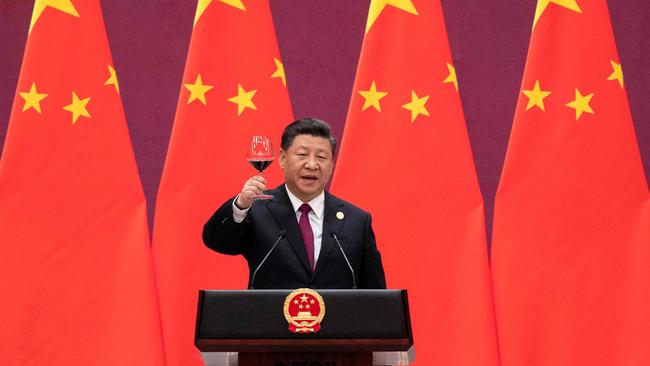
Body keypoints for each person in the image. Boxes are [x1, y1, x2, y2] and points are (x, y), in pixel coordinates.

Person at [203, 118, 386, 289]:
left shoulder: (357, 220)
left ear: (331, 165)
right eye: (302, 155)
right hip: (270, 321)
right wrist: (241, 205)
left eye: (321, 157)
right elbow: (217, 242)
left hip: (337, 322)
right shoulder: (257, 211)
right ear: (283, 159)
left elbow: (375, 293)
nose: (312, 165)